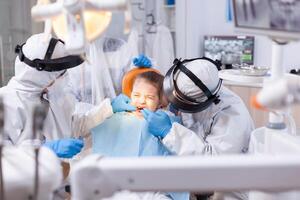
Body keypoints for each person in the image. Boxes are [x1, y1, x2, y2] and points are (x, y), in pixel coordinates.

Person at [0, 33, 135, 159]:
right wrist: (44, 151)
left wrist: (108, 108)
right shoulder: (6, 103)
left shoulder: (49, 96)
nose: (65, 77)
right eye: (61, 74)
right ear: (42, 75)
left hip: (61, 180)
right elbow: (6, 159)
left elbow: (74, 127)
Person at [141, 57, 255, 200]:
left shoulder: (233, 115)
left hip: (226, 189)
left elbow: (212, 162)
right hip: (193, 179)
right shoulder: (193, 83)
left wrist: (169, 132)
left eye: (180, 99)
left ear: (199, 101)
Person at [91, 71, 187, 200]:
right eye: (136, 95)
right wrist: (109, 110)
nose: (141, 101)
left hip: (153, 186)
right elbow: (91, 127)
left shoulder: (165, 120)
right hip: (118, 184)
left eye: (150, 97)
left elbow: (179, 144)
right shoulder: (115, 117)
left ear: (160, 102)